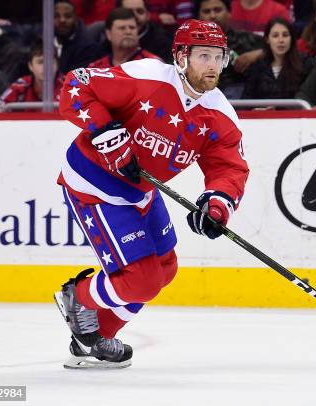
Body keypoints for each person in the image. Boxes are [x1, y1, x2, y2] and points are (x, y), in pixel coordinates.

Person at [54, 19, 249, 369]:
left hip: (142, 191)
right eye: (203, 55)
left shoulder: (220, 114)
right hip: (95, 184)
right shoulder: (147, 77)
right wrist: (104, 130)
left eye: (218, 56)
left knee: (165, 268)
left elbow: (229, 167)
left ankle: (96, 341)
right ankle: (79, 298)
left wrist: (217, 204)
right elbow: (74, 87)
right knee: (141, 281)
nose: (212, 65)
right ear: (181, 57)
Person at [196, 0, 265, 97]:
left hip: (239, 102)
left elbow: (280, 49)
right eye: (206, 11)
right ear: (198, 17)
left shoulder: (246, 38)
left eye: (217, 10)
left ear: (229, 13)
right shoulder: (189, 46)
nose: (212, 15)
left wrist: (258, 53)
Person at [243, 17, 310, 100]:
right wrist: (256, 109)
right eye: (275, 36)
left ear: (291, 39)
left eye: (285, 35)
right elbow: (246, 99)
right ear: (267, 40)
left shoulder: (305, 64)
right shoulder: (258, 67)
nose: (281, 40)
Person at [0, 39, 64, 113]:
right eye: (40, 62)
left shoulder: (70, 85)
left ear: (57, 65)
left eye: (50, 61)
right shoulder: (20, 86)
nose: (46, 67)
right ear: (30, 66)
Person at [88, 8, 161, 69]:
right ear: (109, 34)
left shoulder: (153, 64)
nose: (128, 32)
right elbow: (76, 84)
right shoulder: (96, 68)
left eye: (132, 28)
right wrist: (75, 83)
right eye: (122, 28)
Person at [54, 0, 99, 73]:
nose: (62, 20)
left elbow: (78, 80)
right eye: (56, 16)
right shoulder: (41, 39)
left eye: (67, 16)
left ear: (76, 18)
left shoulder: (87, 45)